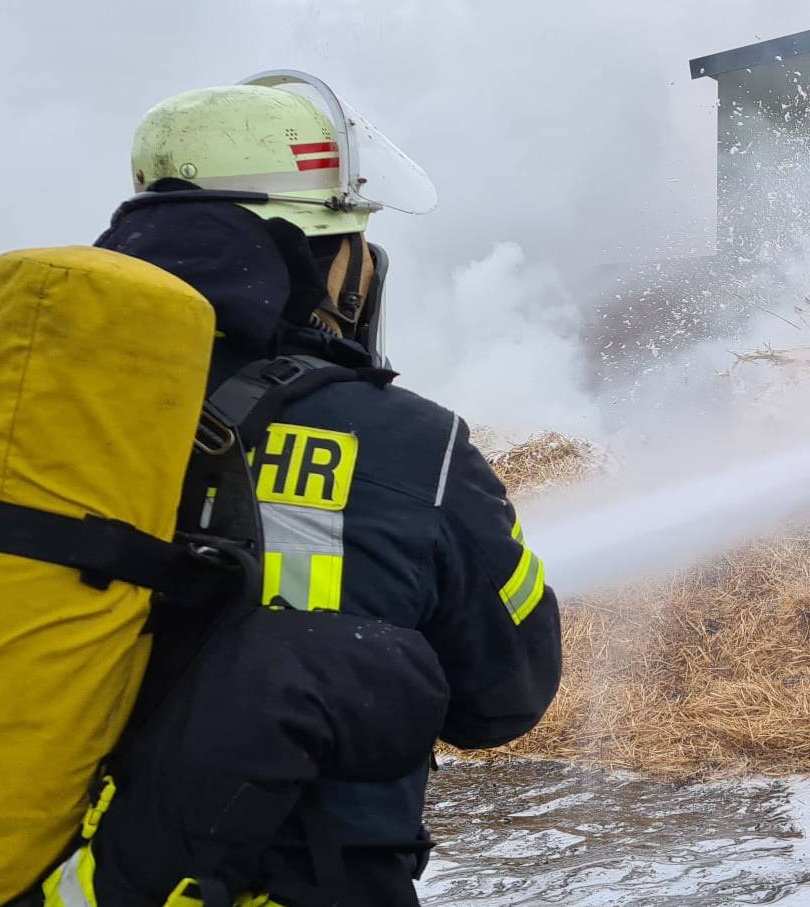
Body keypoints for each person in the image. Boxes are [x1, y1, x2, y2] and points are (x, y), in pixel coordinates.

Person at [44, 71, 563, 905]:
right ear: (325, 261)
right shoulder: (412, 446)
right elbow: (504, 698)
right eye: (358, 239)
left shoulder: (37, 420)